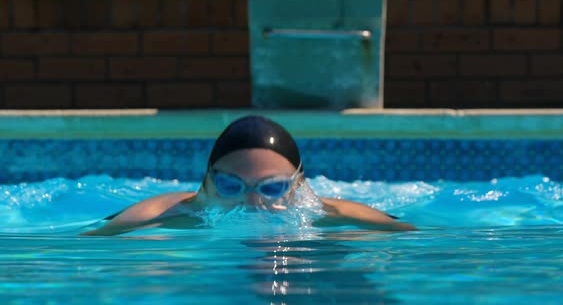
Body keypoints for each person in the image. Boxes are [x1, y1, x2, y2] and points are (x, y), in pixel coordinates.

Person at [82, 115, 416, 236]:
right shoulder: (163, 216)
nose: (252, 202)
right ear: (208, 182)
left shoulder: (330, 214)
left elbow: (411, 235)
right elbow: (87, 243)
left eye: (272, 188)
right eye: (231, 185)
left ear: (299, 185)